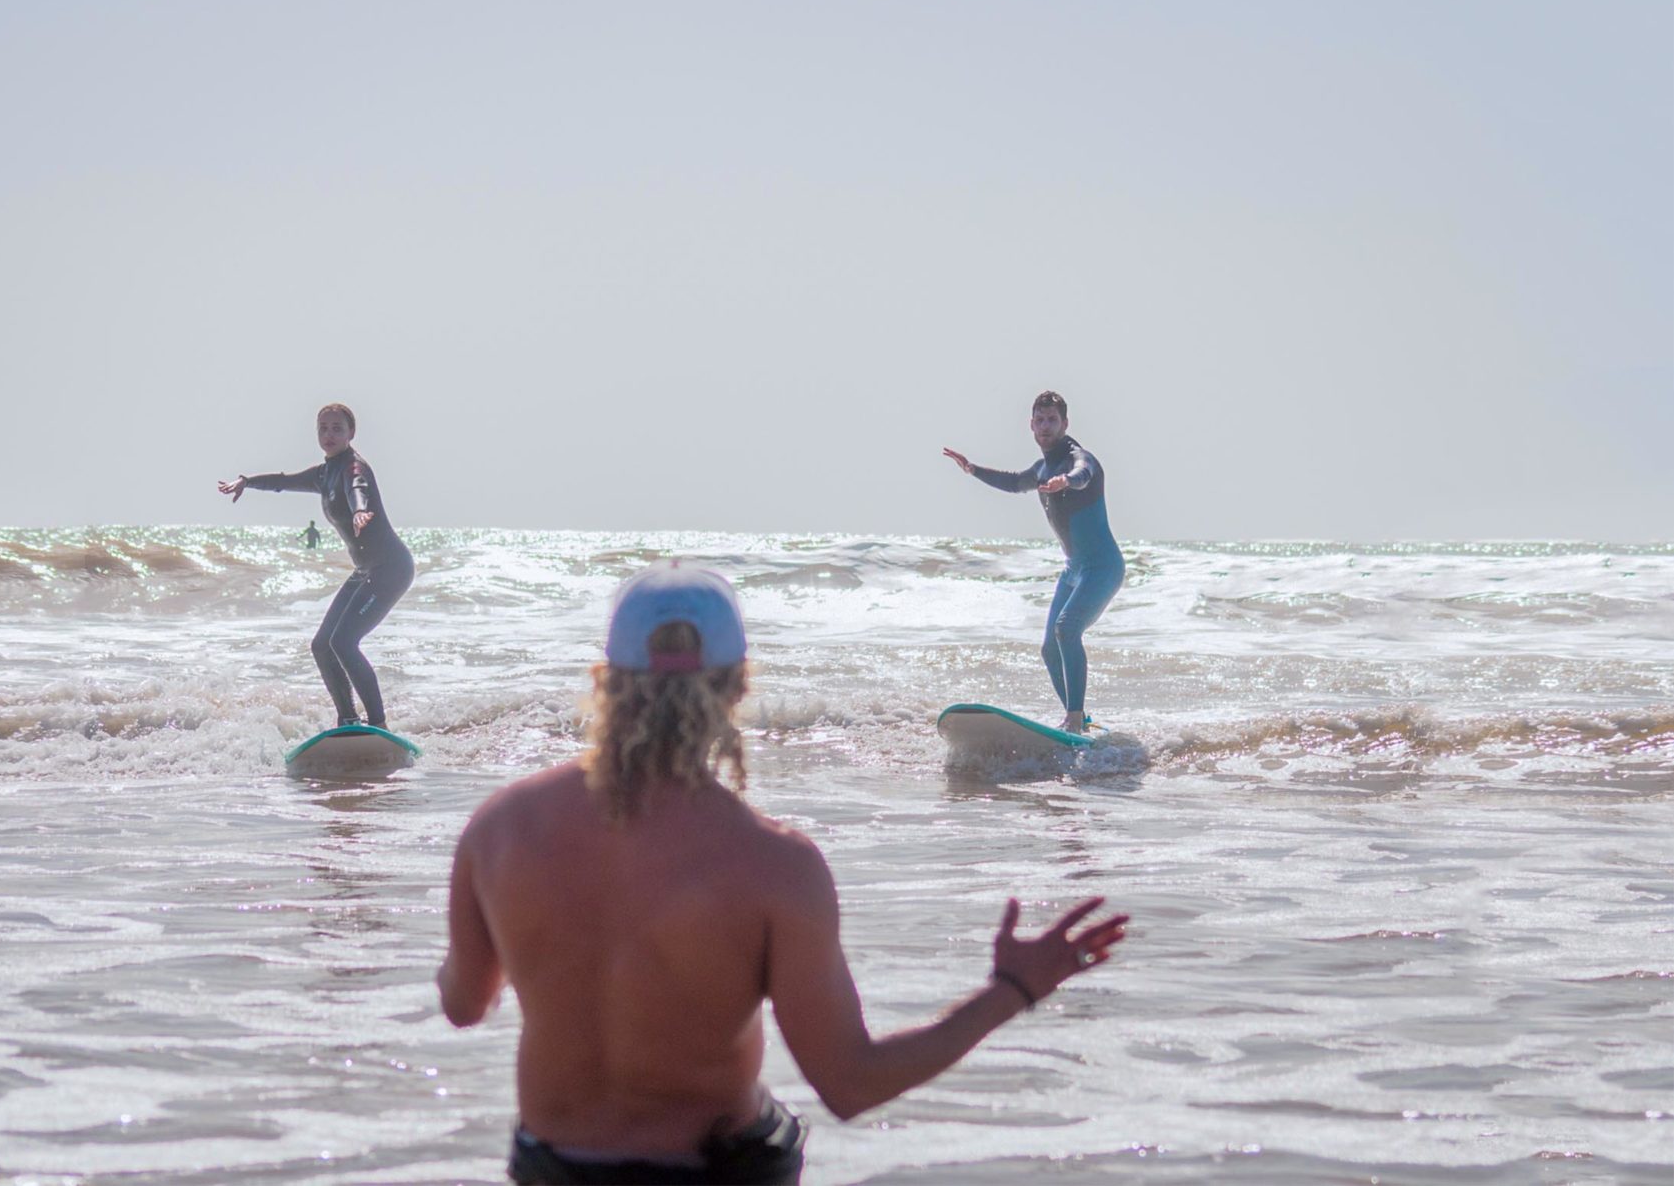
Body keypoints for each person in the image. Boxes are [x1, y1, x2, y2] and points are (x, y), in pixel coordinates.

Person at [437, 562, 1128, 1185]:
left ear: (606, 680)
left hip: (553, 1170)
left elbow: (464, 1005)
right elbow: (850, 1082)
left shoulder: (501, 828)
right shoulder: (774, 865)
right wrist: (1013, 987)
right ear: (736, 685)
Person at [218, 404, 415, 730]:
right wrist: (247, 481)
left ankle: (379, 726)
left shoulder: (354, 468)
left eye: (337, 428)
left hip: (390, 568)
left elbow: (358, 490)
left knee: (344, 642)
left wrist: (360, 510)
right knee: (322, 645)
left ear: (351, 433)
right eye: (323, 428)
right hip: (366, 570)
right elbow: (284, 481)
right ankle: (348, 720)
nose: (329, 434)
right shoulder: (324, 474)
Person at [943, 391, 1125, 734]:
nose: (1045, 426)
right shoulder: (1042, 467)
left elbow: (1084, 474)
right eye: (1040, 420)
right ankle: (1080, 720)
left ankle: (1074, 720)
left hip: (1102, 567)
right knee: (1049, 649)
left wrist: (1066, 481)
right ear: (1031, 425)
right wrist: (972, 469)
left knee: (1067, 629)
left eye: (1052, 420)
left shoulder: (1079, 459)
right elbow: (1014, 482)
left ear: (1065, 423)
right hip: (1074, 570)